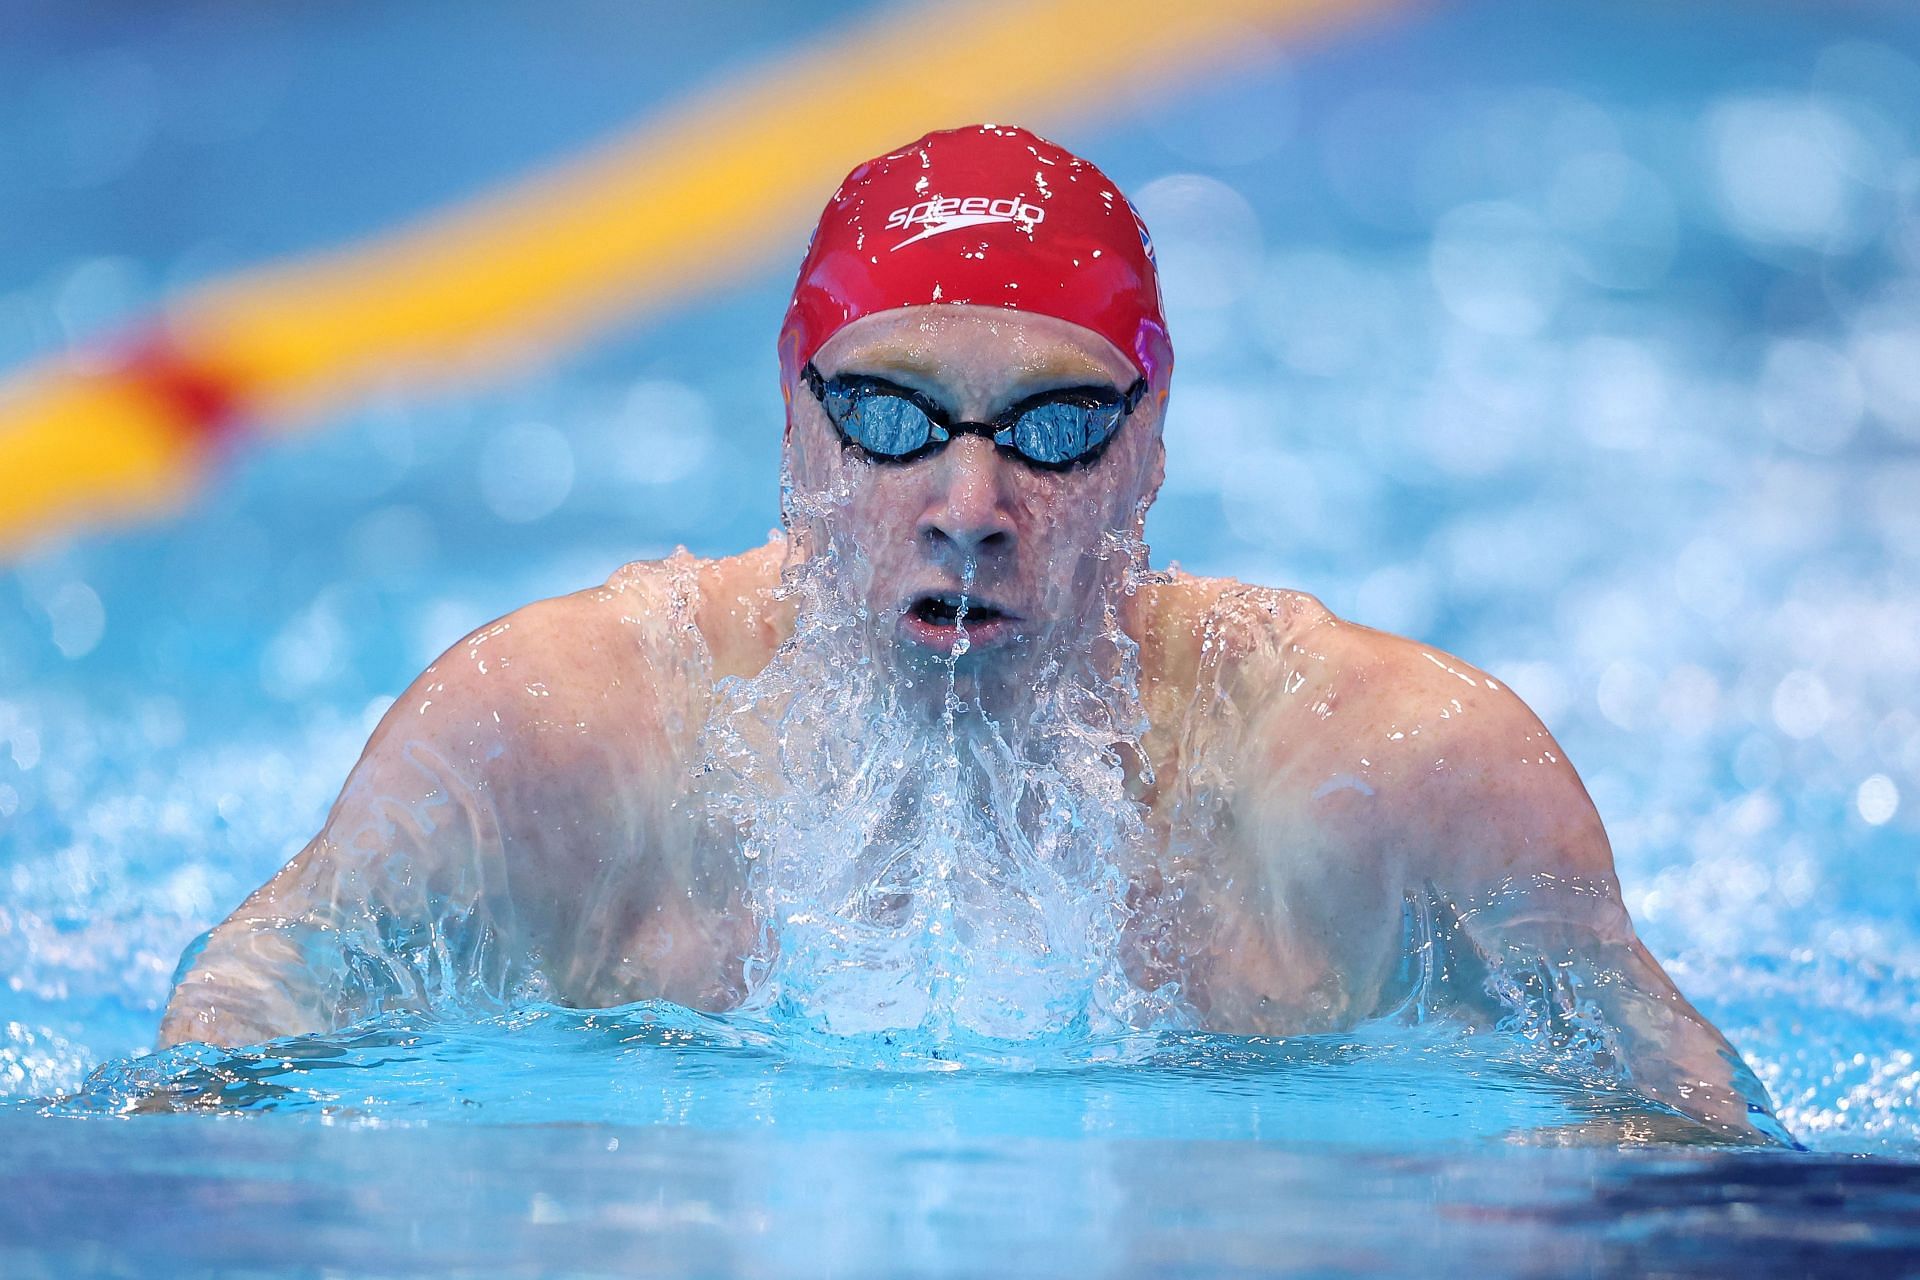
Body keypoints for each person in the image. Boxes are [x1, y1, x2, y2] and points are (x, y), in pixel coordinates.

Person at [161, 125, 1785, 1143]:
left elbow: (1687, 1124)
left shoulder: (1395, 780)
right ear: (793, 427)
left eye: (1056, 427)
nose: (969, 496)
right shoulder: (558, 733)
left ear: (1151, 448)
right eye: (888, 413)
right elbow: (240, 1025)